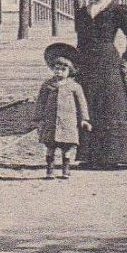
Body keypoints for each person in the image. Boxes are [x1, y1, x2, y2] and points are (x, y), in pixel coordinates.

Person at [73, 0, 127, 169]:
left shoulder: (117, 10)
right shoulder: (81, 13)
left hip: (108, 63)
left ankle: (115, 156)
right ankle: (90, 156)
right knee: (87, 106)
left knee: (111, 106)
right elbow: (80, 41)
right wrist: (75, 64)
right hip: (86, 64)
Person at [37, 43, 91, 179]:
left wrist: (84, 119)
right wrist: (38, 119)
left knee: (67, 148)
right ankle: (50, 170)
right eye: (56, 69)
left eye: (63, 69)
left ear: (69, 71)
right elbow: (40, 103)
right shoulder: (47, 85)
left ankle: (65, 169)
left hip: (68, 123)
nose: (59, 72)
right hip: (50, 123)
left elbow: (82, 104)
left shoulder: (75, 87)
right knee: (50, 147)